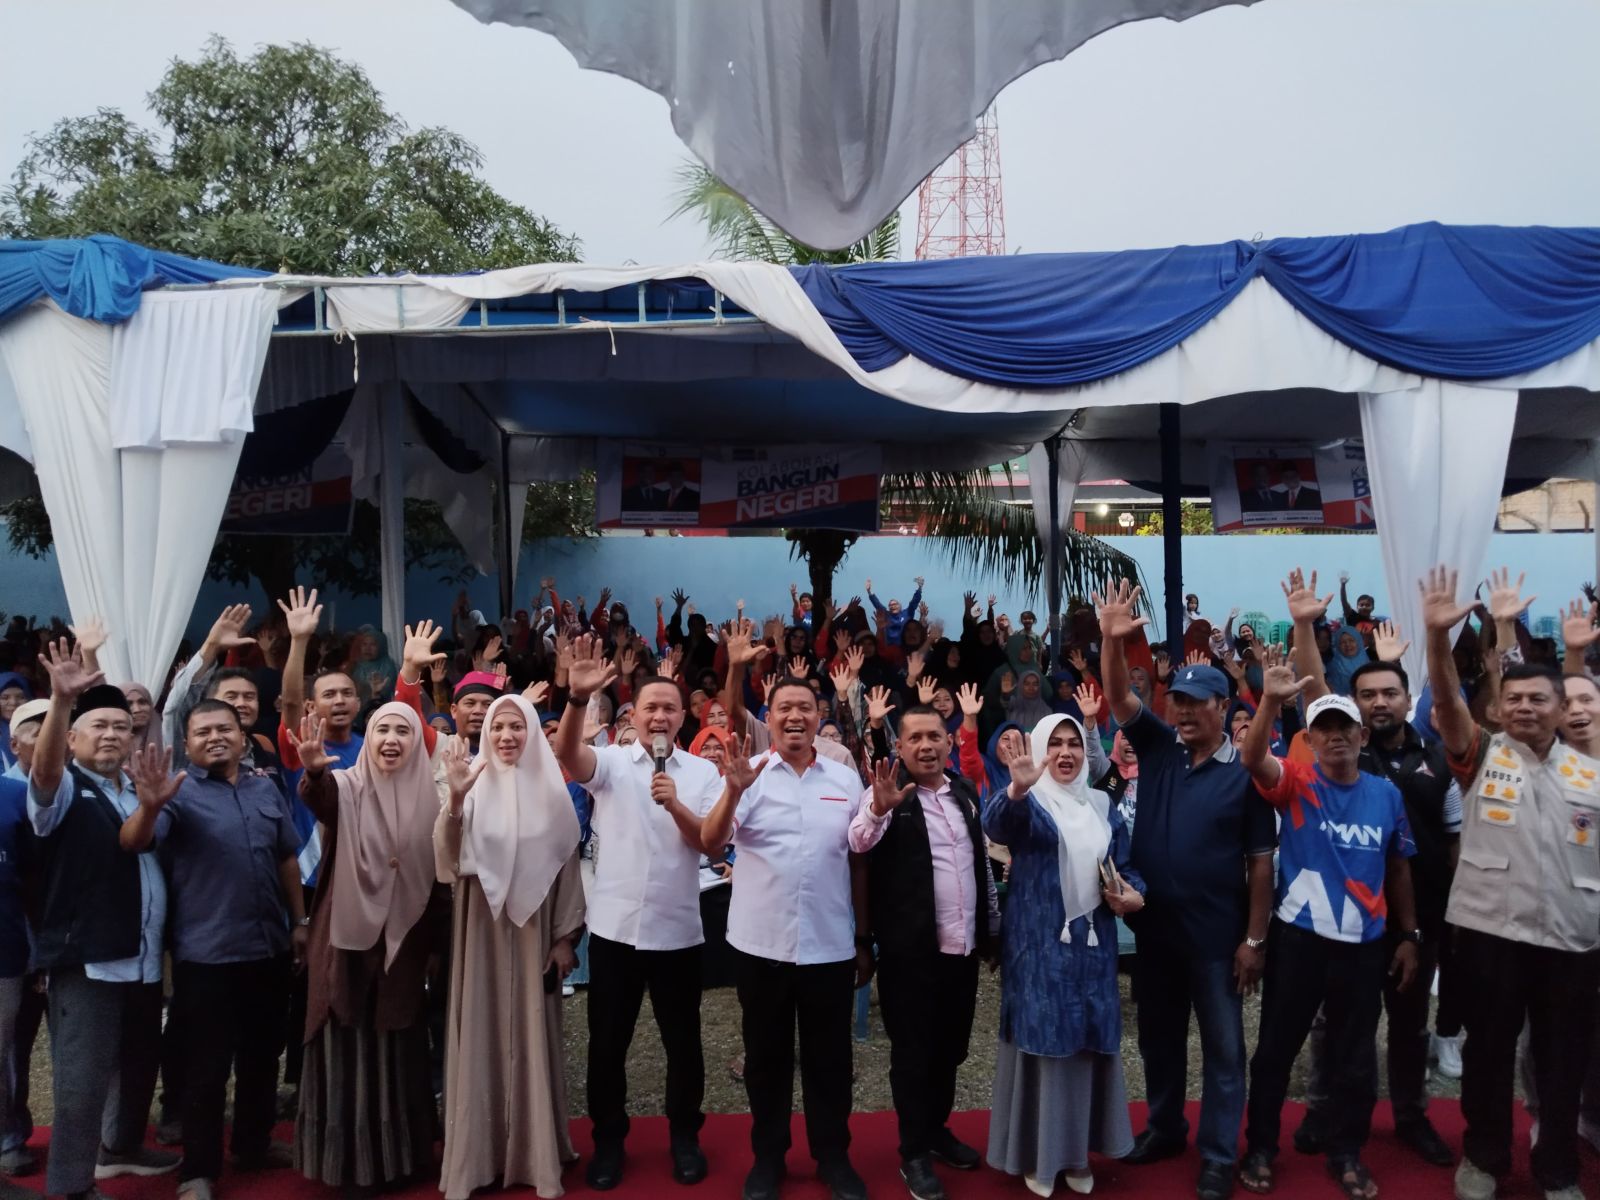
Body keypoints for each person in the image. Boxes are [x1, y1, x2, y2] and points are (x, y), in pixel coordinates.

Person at [1421, 566, 1600, 1200]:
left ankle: (1557, 1170)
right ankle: (1484, 1159)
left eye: (1539, 700)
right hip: (1490, 934)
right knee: (1489, 1056)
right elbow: (1448, 705)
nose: (1525, 707)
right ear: (1499, 707)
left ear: (1562, 708)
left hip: (1571, 941)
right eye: (1514, 699)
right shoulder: (1480, 755)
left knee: (1562, 1063)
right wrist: (1437, 639)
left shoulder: (1591, 773)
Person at [1095, 580, 1276, 1200]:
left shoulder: (1245, 773)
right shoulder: (1158, 747)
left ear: (1223, 706)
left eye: (1198, 703)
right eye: (1178, 701)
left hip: (1217, 940)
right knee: (1159, 1039)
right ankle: (1167, 1128)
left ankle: (1220, 1154)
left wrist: (1255, 940)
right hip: (1157, 934)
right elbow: (1117, 694)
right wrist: (1112, 640)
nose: (1185, 711)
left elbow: (1260, 866)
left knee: (1224, 1050)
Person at [1282, 573, 1459, 1167]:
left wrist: (1433, 926)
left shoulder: (1438, 760)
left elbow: (1450, 845)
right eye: (1368, 695)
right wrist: (1304, 624)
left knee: (1409, 1024)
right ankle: (1322, 1110)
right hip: (1344, 920)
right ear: (1354, 708)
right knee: (1331, 1024)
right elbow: (1314, 689)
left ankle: (1410, 1115)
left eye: (1390, 693)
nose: (1379, 702)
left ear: (1409, 699)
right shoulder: (1342, 751)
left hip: (1415, 919)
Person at [1235, 653, 1419, 1200]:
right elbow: (1252, 758)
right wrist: (1270, 701)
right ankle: (1261, 1148)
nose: (1336, 737)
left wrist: (1409, 936)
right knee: (1275, 1051)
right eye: (1324, 729)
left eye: (1345, 728)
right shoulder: (1296, 780)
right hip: (1300, 942)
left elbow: (1399, 867)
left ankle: (1346, 1153)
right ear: (1310, 740)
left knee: (1355, 1058)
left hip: (1364, 946)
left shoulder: (1387, 795)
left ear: (1363, 736)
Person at [553, 636, 724, 1191]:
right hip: (615, 930)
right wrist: (576, 700)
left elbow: (710, 843)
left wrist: (675, 803)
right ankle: (608, 1141)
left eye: (669, 708)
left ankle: (684, 1136)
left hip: (678, 931)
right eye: (651, 706)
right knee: (607, 1043)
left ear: (682, 717)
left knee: (683, 1042)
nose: (660, 716)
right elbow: (569, 757)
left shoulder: (701, 774)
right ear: (634, 713)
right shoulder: (611, 763)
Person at [120, 700, 309, 1200]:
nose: (215, 737)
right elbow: (134, 842)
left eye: (224, 728)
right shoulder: (177, 792)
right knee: (206, 1066)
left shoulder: (264, 787)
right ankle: (198, 1170)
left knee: (262, 1055)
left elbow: (286, 856)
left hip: (268, 946)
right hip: (207, 955)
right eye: (202, 732)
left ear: (243, 736)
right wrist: (149, 806)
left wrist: (299, 921)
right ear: (187, 744)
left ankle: (253, 1143)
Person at [701, 677, 871, 1200]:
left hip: (829, 944)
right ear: (769, 717)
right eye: (784, 708)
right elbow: (711, 842)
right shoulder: (747, 773)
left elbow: (858, 861)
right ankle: (768, 1158)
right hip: (762, 944)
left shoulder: (845, 779)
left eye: (805, 707)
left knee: (830, 1061)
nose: (795, 716)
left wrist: (864, 937)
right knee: (766, 1059)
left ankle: (832, 1157)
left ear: (819, 717)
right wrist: (733, 790)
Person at [26, 641, 180, 1200]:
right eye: (99, 726)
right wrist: (62, 700)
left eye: (122, 726)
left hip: (143, 955)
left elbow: (138, 845)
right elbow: (44, 772)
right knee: (82, 1078)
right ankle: (70, 1185)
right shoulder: (64, 789)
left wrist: (152, 805)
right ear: (72, 738)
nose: (113, 734)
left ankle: (122, 1146)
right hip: (88, 957)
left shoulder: (136, 790)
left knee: (138, 1062)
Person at [982, 713, 1144, 1197]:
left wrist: (1135, 894)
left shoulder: (1101, 804)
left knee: (1086, 1047)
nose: (1066, 753)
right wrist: (1016, 789)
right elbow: (997, 825)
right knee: (1046, 1049)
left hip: (1093, 952)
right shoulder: (1030, 801)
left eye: (1074, 743)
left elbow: (1125, 865)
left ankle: (1076, 1154)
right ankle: (1039, 1155)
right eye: (1054, 744)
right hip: (1039, 951)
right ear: (1039, 750)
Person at [288, 703, 445, 1193]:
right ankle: (348, 1164)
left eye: (403, 731)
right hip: (346, 943)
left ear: (417, 743)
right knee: (347, 1040)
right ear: (368, 739)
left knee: (397, 1041)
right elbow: (320, 799)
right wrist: (315, 771)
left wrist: (437, 947)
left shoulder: (430, 799)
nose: (392, 739)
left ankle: (401, 1157)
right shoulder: (347, 787)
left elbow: (438, 881)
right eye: (382, 730)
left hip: (404, 947)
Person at [434, 695, 586, 1200]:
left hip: (534, 931)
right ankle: (479, 1156)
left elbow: (566, 866)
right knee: (480, 1029)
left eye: (517, 726)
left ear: (532, 734)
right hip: (480, 926)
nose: (506, 736)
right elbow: (447, 861)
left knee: (531, 1031)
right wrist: (456, 802)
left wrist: (564, 938)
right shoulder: (470, 784)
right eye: (497, 726)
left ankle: (535, 1153)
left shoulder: (552, 792)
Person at [848, 705, 1000, 1200]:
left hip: (961, 947)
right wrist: (878, 809)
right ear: (900, 746)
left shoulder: (964, 793)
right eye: (914, 738)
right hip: (910, 953)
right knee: (913, 1054)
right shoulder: (888, 793)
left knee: (950, 1050)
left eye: (935, 736)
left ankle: (936, 1130)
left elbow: (980, 865)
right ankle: (912, 1151)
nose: (926, 746)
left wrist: (991, 931)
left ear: (949, 742)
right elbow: (858, 841)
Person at [866, 577, 924, 647]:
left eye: (895, 604)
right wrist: (869, 592)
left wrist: (920, 588)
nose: (892, 606)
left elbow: (914, 602)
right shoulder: (886, 615)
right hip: (890, 648)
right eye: (890, 605)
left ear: (900, 606)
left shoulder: (907, 613)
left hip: (905, 648)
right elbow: (878, 605)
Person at [2, 700, 46, 784]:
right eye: (40, 734)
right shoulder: (4, 789)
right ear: (15, 745)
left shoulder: (72, 781)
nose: (55, 742)